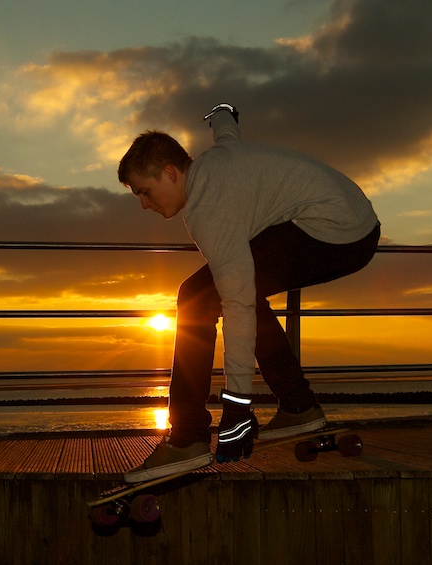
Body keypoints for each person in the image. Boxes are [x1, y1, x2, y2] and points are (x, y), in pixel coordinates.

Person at [117, 103, 380, 482]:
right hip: (354, 219)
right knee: (231, 285)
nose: (144, 204)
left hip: (335, 233)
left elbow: (236, 302)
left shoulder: (208, 204)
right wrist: (223, 113)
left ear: (171, 172)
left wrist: (237, 403)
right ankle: (297, 405)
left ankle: (188, 436)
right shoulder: (218, 159)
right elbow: (228, 135)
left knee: (197, 297)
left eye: (145, 191)